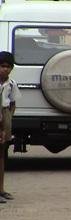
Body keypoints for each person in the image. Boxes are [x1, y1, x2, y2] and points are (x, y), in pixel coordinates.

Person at [0, 51, 21, 203]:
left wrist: (7, 119)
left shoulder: (11, 84)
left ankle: (1, 189)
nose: (5, 69)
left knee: (1, 155)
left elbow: (13, 103)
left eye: (8, 67)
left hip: (5, 115)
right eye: (2, 66)